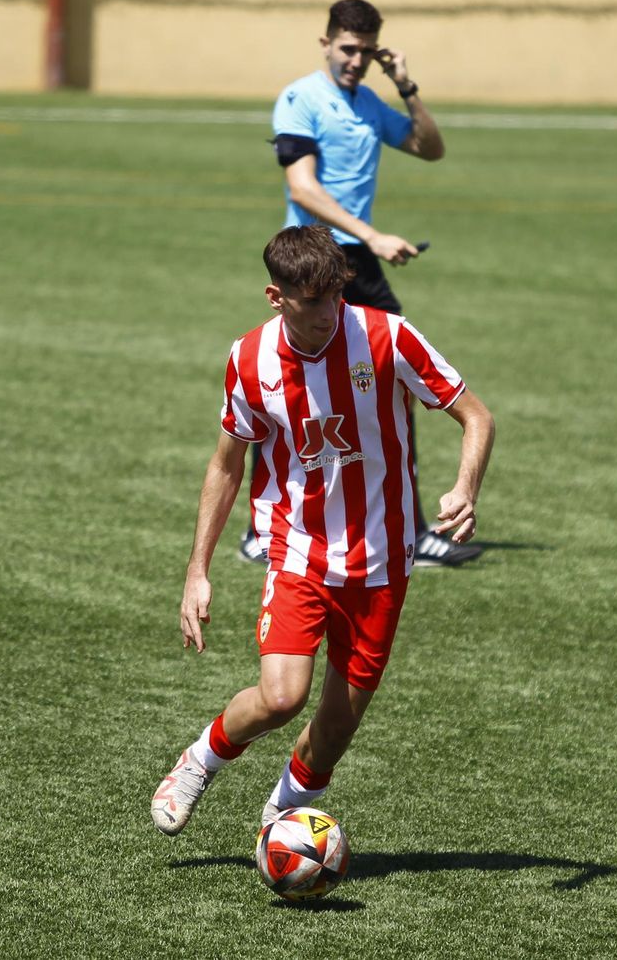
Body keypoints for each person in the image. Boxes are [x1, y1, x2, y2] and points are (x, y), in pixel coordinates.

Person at [151, 224, 495, 837]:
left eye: (335, 295)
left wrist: (466, 487)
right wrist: (196, 571)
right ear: (275, 297)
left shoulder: (388, 336)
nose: (328, 313)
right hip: (298, 549)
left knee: (336, 727)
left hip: (384, 559)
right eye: (311, 301)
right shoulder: (249, 359)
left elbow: (476, 416)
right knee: (282, 697)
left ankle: (283, 817)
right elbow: (227, 466)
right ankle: (200, 760)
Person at [239, 0, 477, 568]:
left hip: (359, 265)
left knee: (398, 384)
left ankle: (407, 529)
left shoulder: (370, 102)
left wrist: (406, 85)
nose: (356, 60)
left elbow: (430, 148)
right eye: (348, 49)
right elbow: (302, 188)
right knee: (281, 392)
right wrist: (371, 235)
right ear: (326, 43)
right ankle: (261, 529)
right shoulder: (299, 99)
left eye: (366, 52)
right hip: (312, 263)